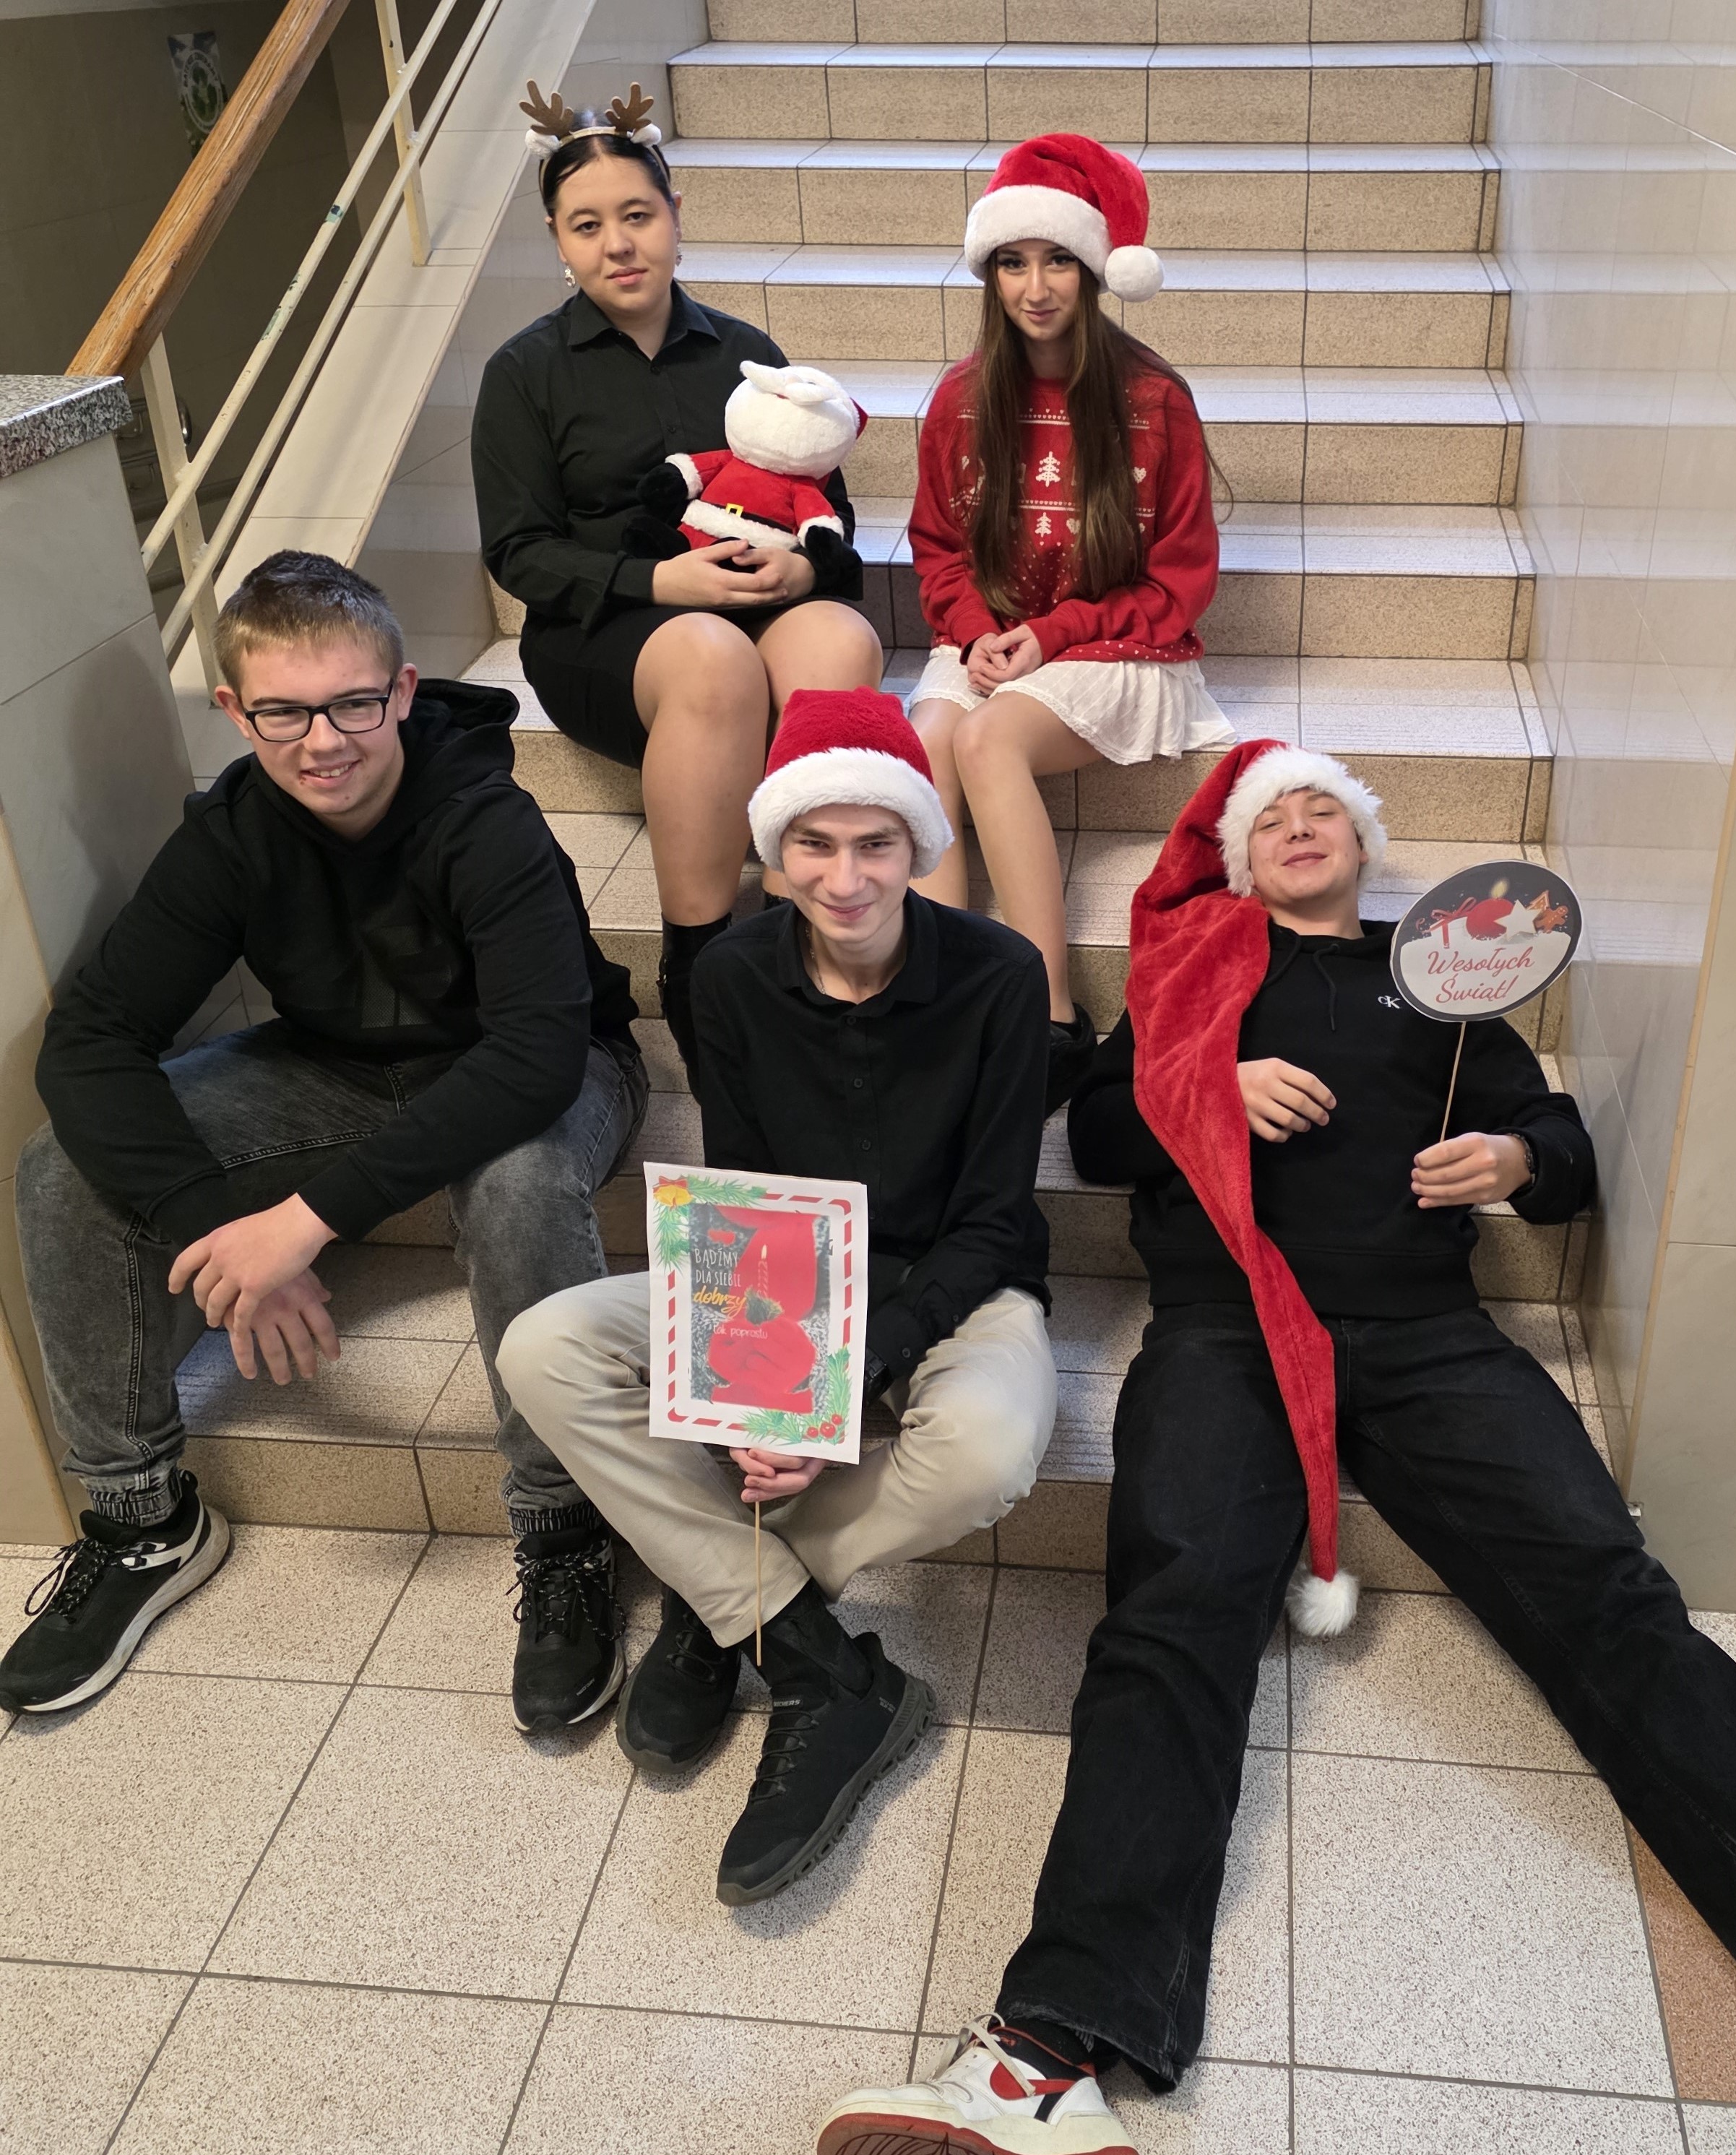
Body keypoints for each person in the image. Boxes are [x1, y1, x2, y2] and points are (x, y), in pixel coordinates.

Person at [816, 740, 1736, 2155]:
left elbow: (1569, 1150)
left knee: (1609, 1599)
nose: (1301, 825)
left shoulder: (1447, 983)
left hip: (1428, 1338)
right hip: (1227, 1329)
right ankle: (1048, 2055)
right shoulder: (1197, 974)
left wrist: (1515, 1153)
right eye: (1273, 816)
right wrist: (1207, 1082)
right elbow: (1101, 1130)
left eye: (1326, 808)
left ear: (1364, 846)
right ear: (1240, 859)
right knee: (1170, 1622)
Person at [0, 553, 646, 1732]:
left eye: (352, 703)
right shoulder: (232, 834)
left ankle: (565, 1527)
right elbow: (89, 1039)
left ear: (402, 691)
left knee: (517, 1178)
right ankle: (143, 1521)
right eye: (285, 713)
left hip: (545, 1061)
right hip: (337, 1068)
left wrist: (302, 1225)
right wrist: (214, 1226)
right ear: (235, 710)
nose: (323, 742)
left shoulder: (484, 817)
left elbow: (536, 1054)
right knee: (58, 1168)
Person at [499, 688, 1058, 1906]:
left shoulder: (1004, 976)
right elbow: (745, 1201)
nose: (845, 877)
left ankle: (726, 1595)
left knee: (991, 1446)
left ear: (919, 843)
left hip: (958, 1278)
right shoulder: (733, 974)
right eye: (815, 842)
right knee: (543, 1344)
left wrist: (844, 1384)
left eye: (876, 843)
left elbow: (993, 1217)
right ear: (775, 846)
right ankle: (797, 1642)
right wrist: (768, 1393)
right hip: (793, 1270)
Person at [471, 86, 884, 1077]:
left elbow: (828, 505)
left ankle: (807, 932)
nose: (618, 244)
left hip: (753, 597)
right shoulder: (525, 372)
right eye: (587, 225)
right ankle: (698, 961)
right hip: (610, 629)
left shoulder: (747, 354)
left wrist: (802, 563)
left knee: (841, 639)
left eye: (637, 215)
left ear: (675, 216)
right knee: (710, 659)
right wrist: (661, 582)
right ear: (557, 240)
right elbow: (519, 552)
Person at [906, 134, 1230, 1106]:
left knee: (989, 740)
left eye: (1057, 260)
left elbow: (1179, 581)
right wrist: (975, 630)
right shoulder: (960, 400)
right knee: (930, 737)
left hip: (1120, 642)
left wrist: (1049, 635)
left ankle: (1049, 1011)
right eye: (1013, 262)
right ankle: (943, 997)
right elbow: (938, 546)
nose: (1036, 287)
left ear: (1095, 269)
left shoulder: (1154, 400)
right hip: (996, 634)